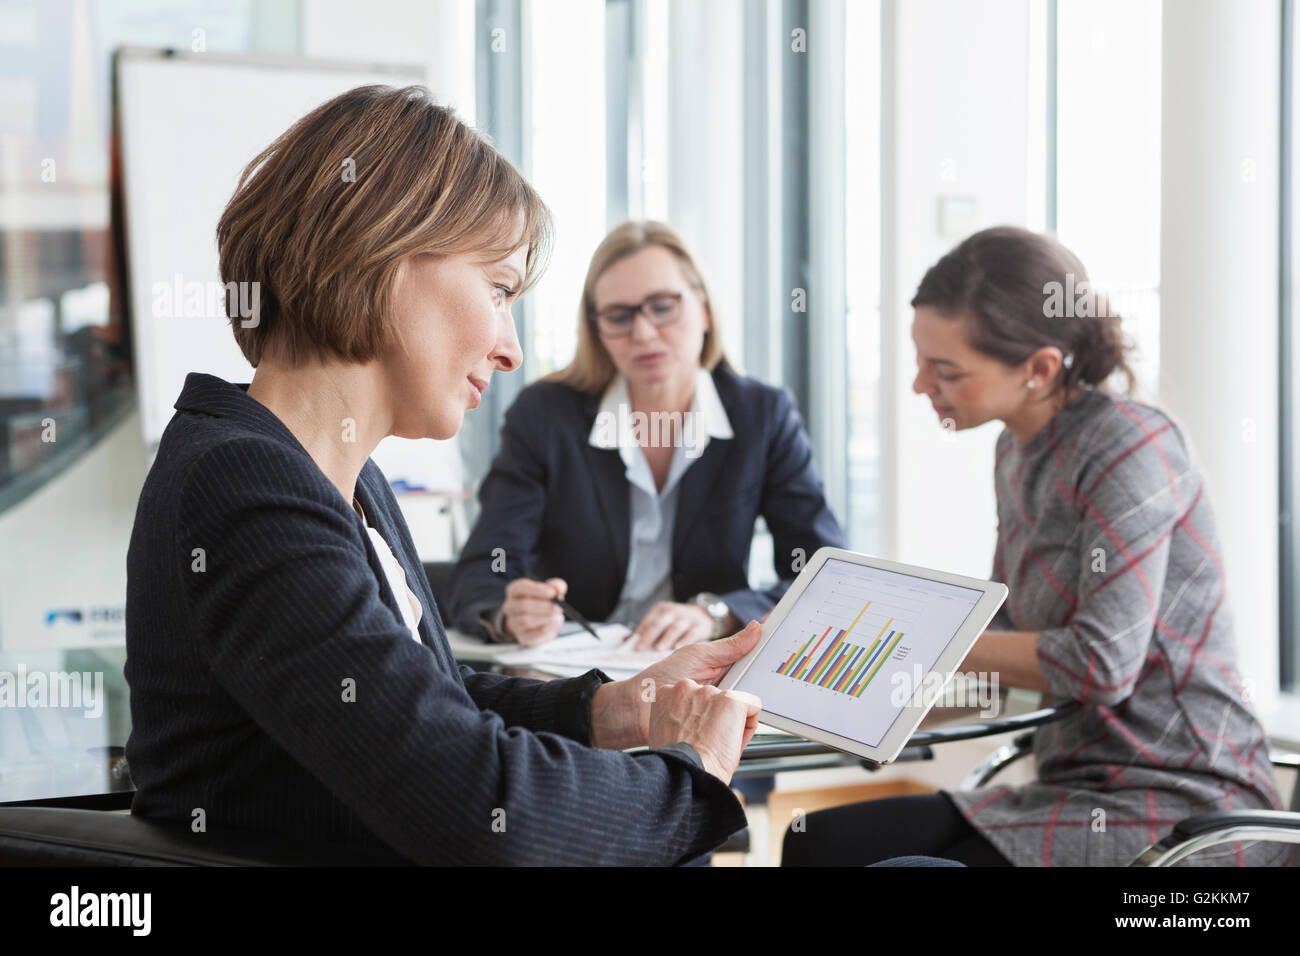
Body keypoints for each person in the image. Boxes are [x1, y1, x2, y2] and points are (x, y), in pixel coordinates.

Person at [122, 84, 769, 866]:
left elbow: (423, 704)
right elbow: (480, 808)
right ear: (378, 249)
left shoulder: (338, 478)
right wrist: (693, 775)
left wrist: (614, 709)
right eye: (499, 289)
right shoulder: (245, 484)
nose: (511, 350)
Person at [782, 226, 1290, 867]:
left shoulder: (1130, 446)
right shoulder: (1016, 452)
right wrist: (857, 702)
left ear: (1040, 368)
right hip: (1070, 787)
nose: (919, 385)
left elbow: (1099, 665)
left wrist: (921, 638)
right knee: (817, 842)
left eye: (945, 370)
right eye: (921, 360)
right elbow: (1005, 641)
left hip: (1183, 801)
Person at [448, 220, 845, 650]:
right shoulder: (545, 415)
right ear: (597, 330)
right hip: (575, 672)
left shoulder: (762, 415)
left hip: (703, 667)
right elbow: (481, 573)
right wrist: (509, 613)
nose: (642, 333)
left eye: (662, 306)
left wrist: (717, 612)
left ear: (705, 309)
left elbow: (824, 574)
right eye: (618, 316)